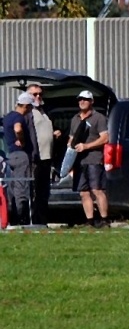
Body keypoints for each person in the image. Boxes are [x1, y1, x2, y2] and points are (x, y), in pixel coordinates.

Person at [65, 91, 110, 226]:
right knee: (83, 192)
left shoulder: (99, 118)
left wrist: (86, 146)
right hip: (79, 161)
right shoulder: (75, 119)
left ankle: (104, 220)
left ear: (92, 101)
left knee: (97, 190)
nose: (82, 101)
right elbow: (71, 138)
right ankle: (90, 221)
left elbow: (105, 138)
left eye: (85, 99)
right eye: (80, 99)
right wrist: (70, 148)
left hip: (94, 159)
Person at [27, 83, 61, 225]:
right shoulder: (28, 112)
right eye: (34, 94)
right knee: (34, 190)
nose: (38, 96)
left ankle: (42, 219)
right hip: (35, 158)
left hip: (47, 157)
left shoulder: (44, 111)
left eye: (40, 94)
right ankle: (33, 219)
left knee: (44, 191)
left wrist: (55, 133)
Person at [3, 92, 37, 227]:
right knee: (22, 185)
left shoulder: (8, 117)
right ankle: (21, 217)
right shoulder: (19, 117)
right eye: (30, 107)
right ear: (26, 106)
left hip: (11, 154)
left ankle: (12, 215)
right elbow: (18, 129)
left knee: (12, 187)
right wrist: (21, 140)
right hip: (21, 155)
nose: (31, 110)